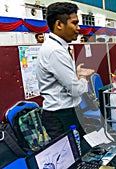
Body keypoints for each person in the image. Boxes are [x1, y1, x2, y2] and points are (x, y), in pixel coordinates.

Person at [36, 2, 94, 139]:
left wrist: (75, 75)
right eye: (74, 23)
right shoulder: (55, 51)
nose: (78, 28)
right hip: (60, 115)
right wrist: (82, 78)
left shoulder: (56, 46)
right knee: (71, 156)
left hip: (63, 113)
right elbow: (75, 90)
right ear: (59, 25)